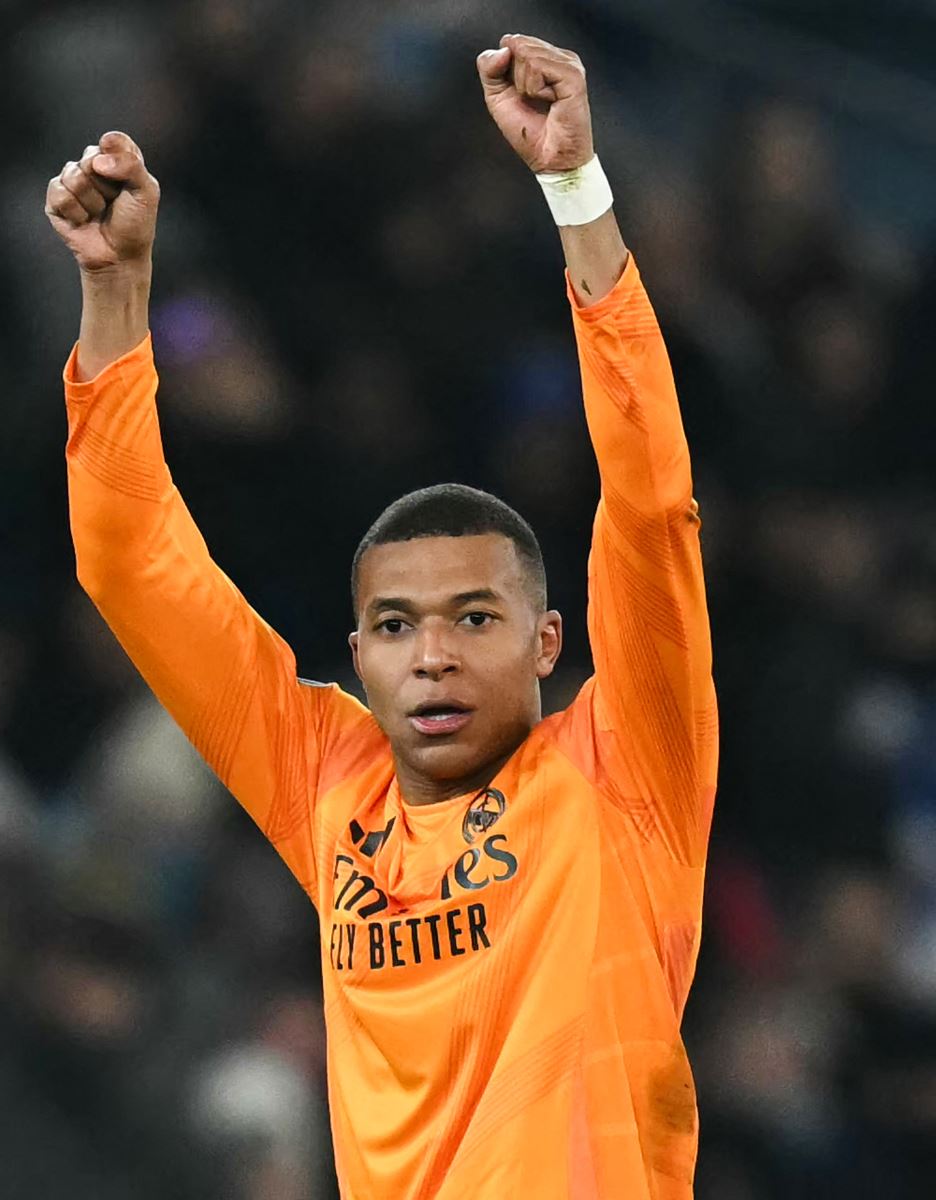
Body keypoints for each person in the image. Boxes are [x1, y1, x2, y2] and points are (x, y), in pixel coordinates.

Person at [45, 33, 716, 1198]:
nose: (435, 656)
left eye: (473, 618)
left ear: (549, 642)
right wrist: (114, 296)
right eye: (398, 627)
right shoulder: (330, 782)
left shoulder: (630, 771)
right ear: (359, 657)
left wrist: (576, 191)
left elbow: (651, 505)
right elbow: (134, 571)